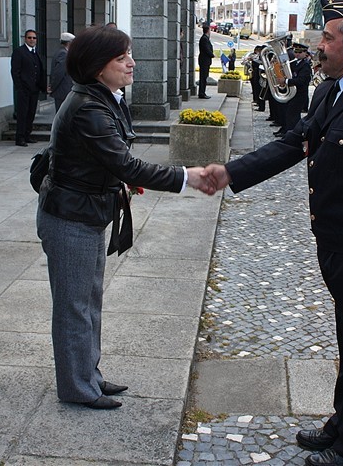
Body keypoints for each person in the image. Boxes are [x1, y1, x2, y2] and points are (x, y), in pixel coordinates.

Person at [204, 0, 343, 466]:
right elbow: (295, 141)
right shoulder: (333, 89)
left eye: (328, 37)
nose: (319, 45)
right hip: (337, 246)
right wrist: (231, 172)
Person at [36, 26, 216, 410]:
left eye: (129, 54)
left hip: (86, 214)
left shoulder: (104, 98)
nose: (131, 63)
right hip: (70, 219)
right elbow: (127, 165)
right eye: (121, 58)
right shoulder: (88, 107)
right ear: (98, 67)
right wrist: (188, 177)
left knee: (89, 301)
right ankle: (77, 387)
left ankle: (89, 375)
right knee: (74, 306)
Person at [11, 29, 46, 146]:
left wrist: (43, 87)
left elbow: (40, 71)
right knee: (23, 114)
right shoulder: (19, 52)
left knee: (31, 113)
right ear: (25, 39)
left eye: (34, 38)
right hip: (23, 90)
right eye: (29, 38)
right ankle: (19, 137)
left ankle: (27, 135)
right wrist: (19, 87)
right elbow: (15, 71)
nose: (32, 40)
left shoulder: (36, 53)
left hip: (34, 90)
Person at [274, 42, 312, 137]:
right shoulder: (295, 62)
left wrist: (286, 81)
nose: (297, 54)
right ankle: (285, 130)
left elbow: (301, 81)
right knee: (286, 113)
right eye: (296, 51)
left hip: (299, 94)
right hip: (292, 93)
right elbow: (287, 70)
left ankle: (292, 134)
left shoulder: (305, 65)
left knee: (293, 115)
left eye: (300, 52)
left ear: (305, 53)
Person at [49, 31, 75, 111]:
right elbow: (59, 73)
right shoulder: (63, 54)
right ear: (69, 43)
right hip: (63, 91)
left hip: (63, 91)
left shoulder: (61, 52)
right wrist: (52, 87)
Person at [198, 23, 213, 98]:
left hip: (205, 60)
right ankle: (201, 93)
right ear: (208, 30)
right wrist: (212, 55)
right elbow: (207, 49)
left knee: (204, 77)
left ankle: (203, 92)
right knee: (203, 77)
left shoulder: (205, 38)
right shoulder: (204, 39)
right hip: (204, 61)